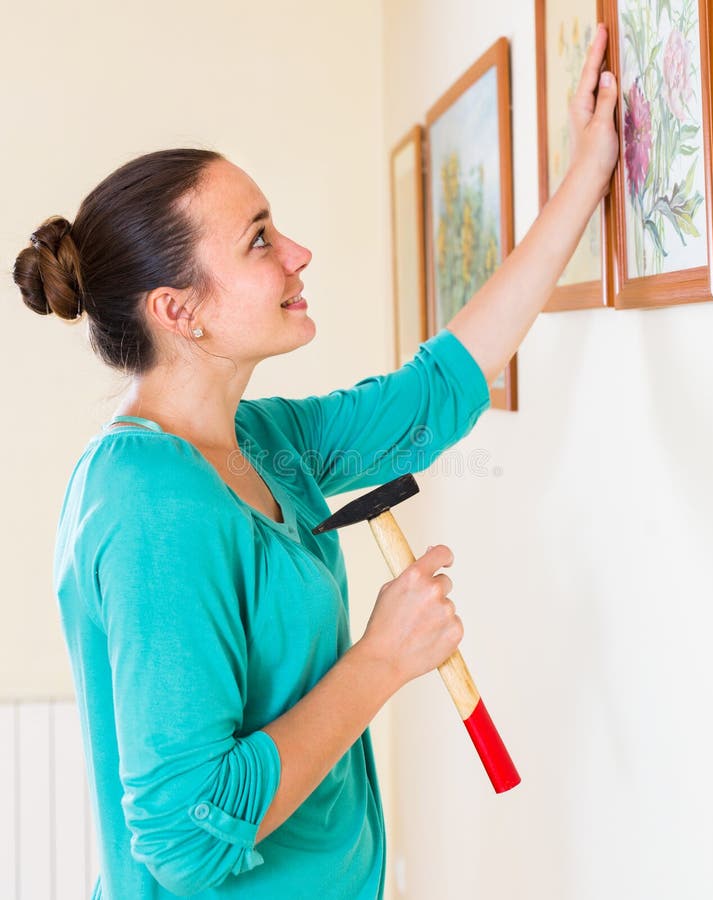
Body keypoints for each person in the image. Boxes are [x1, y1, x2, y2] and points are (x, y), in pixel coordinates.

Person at [12, 26, 618, 900]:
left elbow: (430, 399)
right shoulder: (145, 506)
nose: (298, 254)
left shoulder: (261, 440)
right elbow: (185, 837)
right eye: (260, 240)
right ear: (181, 311)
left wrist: (583, 179)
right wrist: (381, 659)